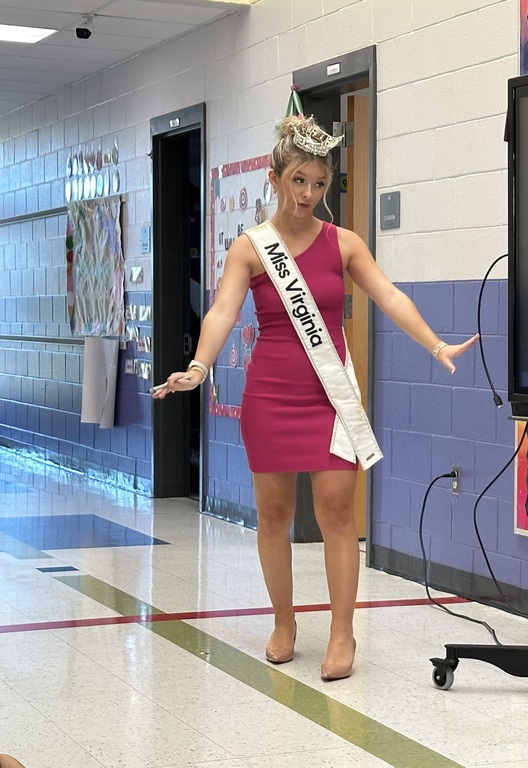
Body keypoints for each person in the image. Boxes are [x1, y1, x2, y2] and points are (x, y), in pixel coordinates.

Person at [154, 114, 478, 681]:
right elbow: (223, 311)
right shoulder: (251, 248)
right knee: (275, 515)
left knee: (334, 512)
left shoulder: (344, 244)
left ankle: (342, 632)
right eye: (299, 181)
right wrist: (200, 366)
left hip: (330, 397)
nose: (308, 195)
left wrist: (435, 344)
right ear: (277, 178)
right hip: (270, 397)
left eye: (320, 184)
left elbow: (390, 295)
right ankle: (284, 622)